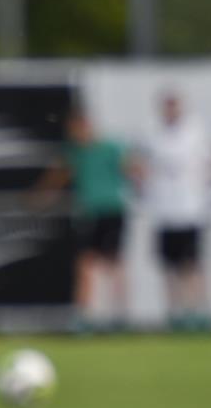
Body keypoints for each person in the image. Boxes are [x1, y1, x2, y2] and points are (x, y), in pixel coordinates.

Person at [34, 106, 135, 332]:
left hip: (111, 211)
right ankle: (86, 316)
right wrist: (41, 196)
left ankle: (119, 315)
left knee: (113, 264)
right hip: (89, 213)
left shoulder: (110, 148)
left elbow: (132, 169)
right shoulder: (75, 152)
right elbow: (59, 175)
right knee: (85, 264)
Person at [142, 90, 211, 331]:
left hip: (190, 209)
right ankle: (175, 313)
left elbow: (210, 164)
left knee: (192, 264)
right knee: (170, 266)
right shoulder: (154, 134)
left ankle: (197, 311)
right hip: (165, 210)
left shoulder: (195, 132)